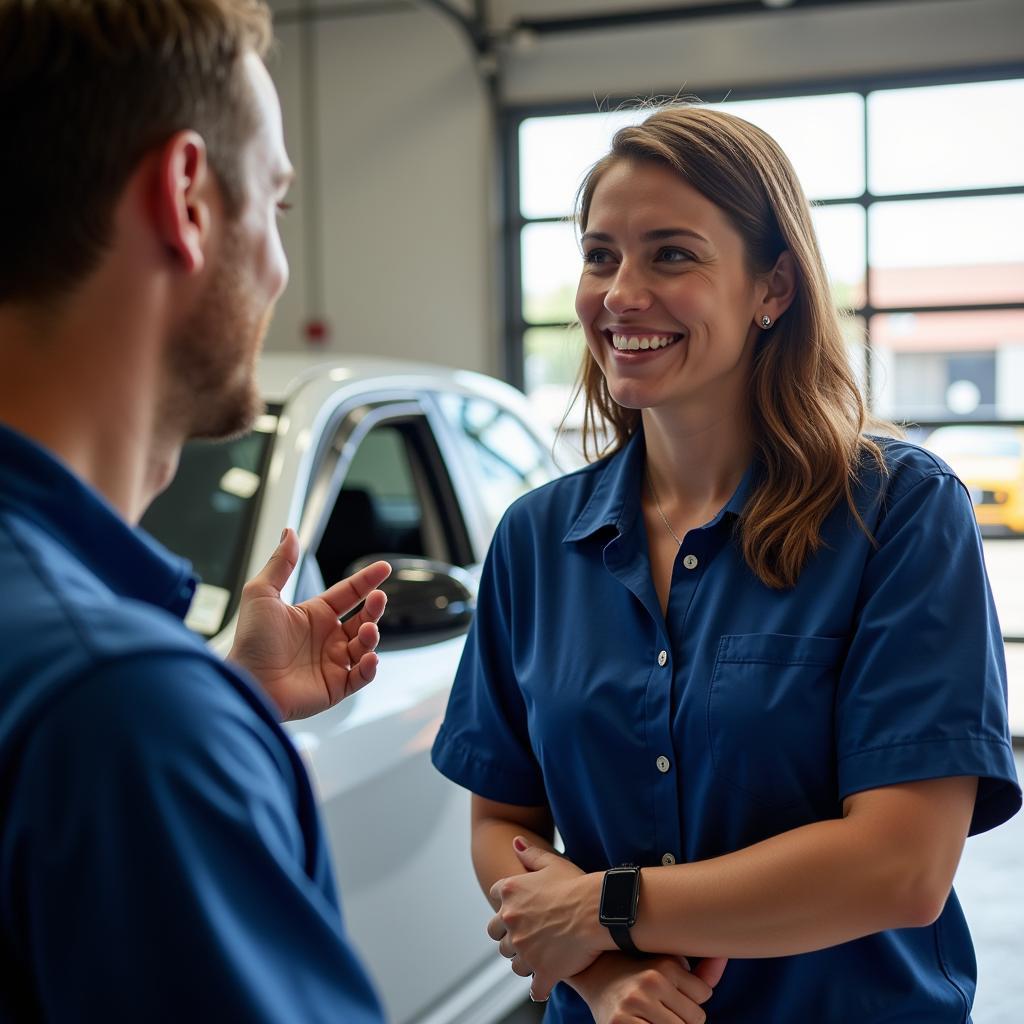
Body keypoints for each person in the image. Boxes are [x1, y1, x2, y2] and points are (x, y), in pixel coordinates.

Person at [431, 105, 1022, 1023]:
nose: (622, 293)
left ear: (772, 288)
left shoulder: (898, 512)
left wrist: (607, 909)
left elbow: (901, 867)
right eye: (600, 256)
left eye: (672, 255)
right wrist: (602, 975)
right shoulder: (535, 540)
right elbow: (502, 822)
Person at [0, 1, 390, 1019]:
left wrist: (224, 701)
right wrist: (183, 719)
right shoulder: (119, 712)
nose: (277, 263)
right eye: (276, 202)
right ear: (186, 198)